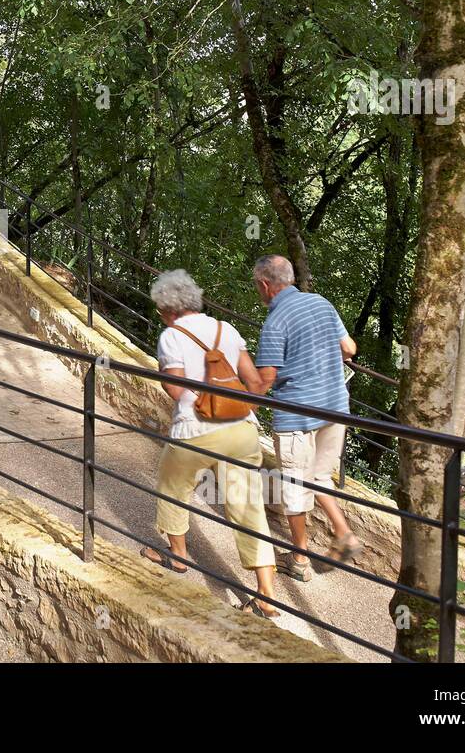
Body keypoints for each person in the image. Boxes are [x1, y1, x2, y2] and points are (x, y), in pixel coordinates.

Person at [141, 268, 280, 619]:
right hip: (241, 430)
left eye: (159, 309)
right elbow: (254, 382)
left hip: (195, 429)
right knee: (247, 506)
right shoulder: (226, 330)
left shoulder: (171, 336)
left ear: (168, 308)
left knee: (172, 484)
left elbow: (173, 388)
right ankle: (265, 594)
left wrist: (192, 391)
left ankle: (179, 555)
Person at [251, 254, 364, 581]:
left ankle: (299, 558)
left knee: (295, 486)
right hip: (334, 407)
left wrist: (245, 412)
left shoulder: (276, 321)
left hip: (298, 414)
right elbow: (350, 348)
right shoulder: (321, 303)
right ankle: (344, 534)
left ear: (265, 285)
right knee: (318, 476)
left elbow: (266, 378)